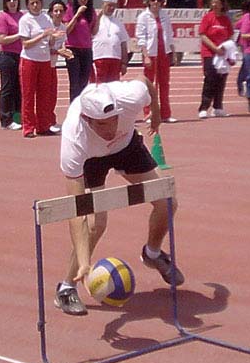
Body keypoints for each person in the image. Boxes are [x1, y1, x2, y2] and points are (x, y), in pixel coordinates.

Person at [55, 76, 183, 315]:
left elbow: (148, 83)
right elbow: (76, 211)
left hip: (126, 148)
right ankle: (66, 288)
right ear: (87, 119)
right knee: (96, 224)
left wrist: (155, 113)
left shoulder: (130, 96)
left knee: (167, 201)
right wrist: (85, 262)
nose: (111, 128)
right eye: (103, 125)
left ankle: (152, 254)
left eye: (114, 120)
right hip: (92, 159)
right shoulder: (74, 139)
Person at [18, 0, 62, 138]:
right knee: (29, 94)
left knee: (44, 95)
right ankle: (28, 127)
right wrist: (42, 35)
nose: (35, 5)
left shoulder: (46, 19)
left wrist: (53, 38)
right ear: (28, 5)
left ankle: (43, 126)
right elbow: (25, 44)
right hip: (29, 60)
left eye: (37, 2)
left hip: (45, 60)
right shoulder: (25, 20)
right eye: (32, 3)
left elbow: (50, 42)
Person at [136, 0, 176, 122]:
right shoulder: (143, 17)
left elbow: (169, 35)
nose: (156, 2)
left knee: (164, 84)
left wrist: (173, 52)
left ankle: (166, 114)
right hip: (151, 53)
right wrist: (145, 55)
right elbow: (141, 38)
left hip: (163, 53)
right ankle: (148, 113)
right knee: (149, 84)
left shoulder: (165, 16)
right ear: (148, 1)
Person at [198, 0, 234, 118]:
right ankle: (203, 107)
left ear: (222, 5)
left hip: (223, 54)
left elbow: (230, 36)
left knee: (221, 79)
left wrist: (225, 48)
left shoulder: (226, 20)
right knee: (210, 79)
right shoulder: (207, 18)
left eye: (217, 3)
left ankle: (218, 107)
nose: (214, 5)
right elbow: (203, 35)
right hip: (209, 53)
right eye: (213, 2)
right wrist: (214, 48)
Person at [64, 0, 98, 102]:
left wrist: (99, 18)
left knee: (84, 82)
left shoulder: (91, 11)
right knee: (75, 83)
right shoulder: (70, 9)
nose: (83, 0)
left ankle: (82, 108)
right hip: (73, 49)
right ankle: (74, 109)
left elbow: (93, 32)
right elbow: (66, 30)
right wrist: (77, 15)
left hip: (86, 49)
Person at [0, 0, 23, 131]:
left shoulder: (22, 16)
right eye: (9, 0)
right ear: (5, 3)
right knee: (8, 88)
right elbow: (1, 39)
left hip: (21, 55)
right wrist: (19, 35)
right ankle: (6, 120)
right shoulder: (3, 17)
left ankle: (18, 118)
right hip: (7, 56)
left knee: (19, 88)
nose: (12, 2)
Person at [92, 0, 129, 84]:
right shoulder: (96, 20)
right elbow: (91, 33)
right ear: (103, 4)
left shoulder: (118, 22)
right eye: (109, 5)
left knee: (113, 86)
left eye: (113, 6)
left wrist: (124, 63)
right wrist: (97, 18)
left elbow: (123, 43)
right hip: (99, 57)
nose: (111, 8)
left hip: (115, 58)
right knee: (100, 86)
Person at [47, 0, 73, 133]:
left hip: (52, 64)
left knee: (52, 94)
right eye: (55, 11)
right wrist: (57, 50)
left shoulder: (63, 28)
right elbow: (45, 48)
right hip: (42, 63)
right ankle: (42, 121)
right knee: (42, 94)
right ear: (51, 12)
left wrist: (66, 52)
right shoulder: (46, 25)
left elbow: (60, 46)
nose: (58, 13)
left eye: (61, 11)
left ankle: (50, 120)